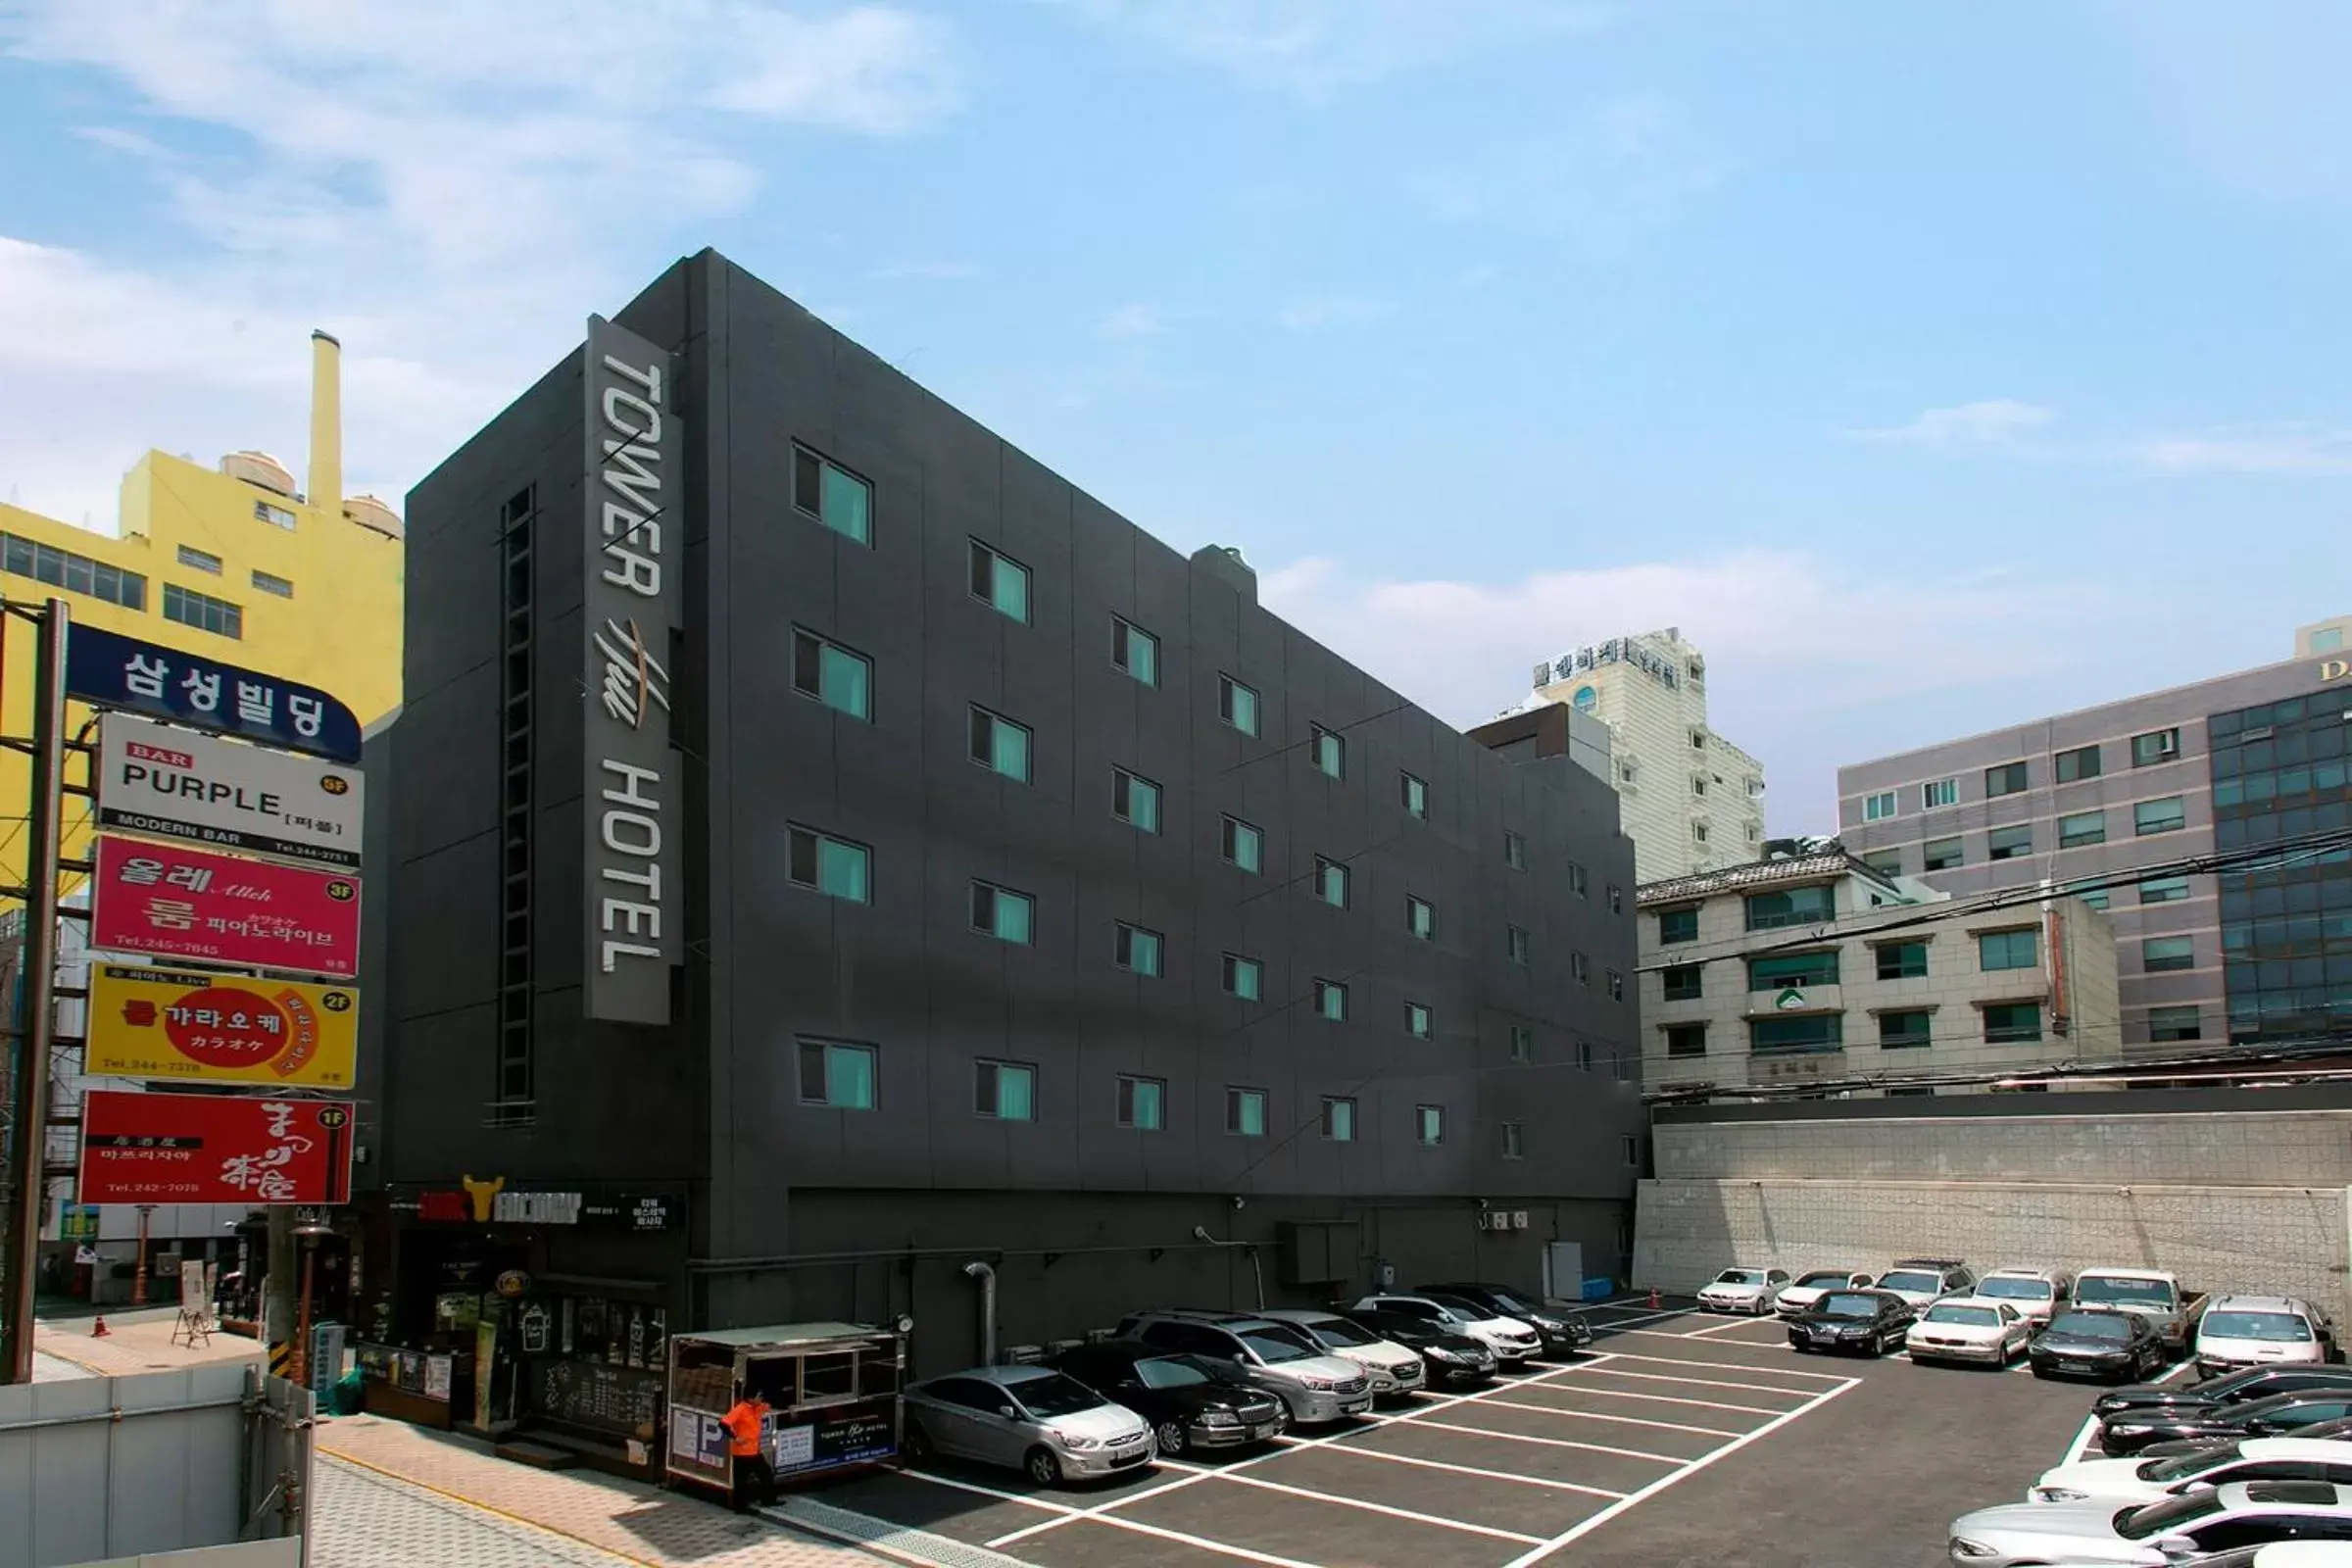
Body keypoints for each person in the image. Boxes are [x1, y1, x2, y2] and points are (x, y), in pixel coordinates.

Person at [722, 1388, 773, 1512]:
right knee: (741, 1481)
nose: (761, 1399)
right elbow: (723, 1424)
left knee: (766, 1473)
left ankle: (768, 1500)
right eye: (759, 1397)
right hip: (742, 1453)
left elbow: (769, 1405)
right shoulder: (740, 1410)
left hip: (754, 1451)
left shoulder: (758, 1408)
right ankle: (741, 1507)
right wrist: (736, 1438)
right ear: (750, 1398)